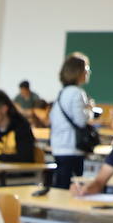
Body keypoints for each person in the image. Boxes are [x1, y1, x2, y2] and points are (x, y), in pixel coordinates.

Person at [47, 53, 94, 190]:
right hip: (72, 147)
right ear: (78, 72)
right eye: (86, 69)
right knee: (72, 186)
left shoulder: (63, 92)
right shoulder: (78, 93)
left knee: (61, 184)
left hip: (59, 145)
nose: (87, 72)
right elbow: (80, 121)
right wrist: (90, 111)